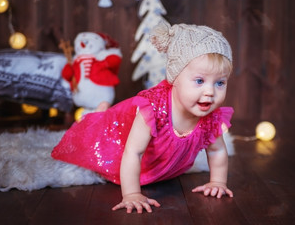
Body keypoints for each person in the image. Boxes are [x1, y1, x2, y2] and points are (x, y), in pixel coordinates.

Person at [51, 21, 234, 213]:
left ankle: (101, 110)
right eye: (199, 81)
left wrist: (217, 182)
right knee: (92, 135)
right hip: (120, 146)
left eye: (220, 83)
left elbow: (217, 151)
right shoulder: (154, 108)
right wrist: (131, 194)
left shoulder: (211, 117)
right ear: (175, 78)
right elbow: (133, 152)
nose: (210, 92)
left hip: (164, 169)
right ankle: (99, 113)